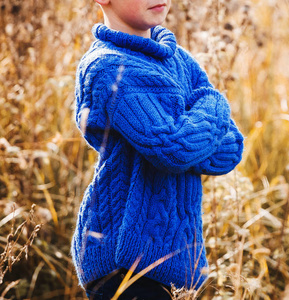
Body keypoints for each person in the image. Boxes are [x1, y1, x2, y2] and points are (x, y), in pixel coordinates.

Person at [70, 0, 244, 298]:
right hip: (121, 259)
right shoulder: (109, 68)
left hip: (172, 254)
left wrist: (191, 135)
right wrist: (213, 102)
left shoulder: (179, 60)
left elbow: (231, 148)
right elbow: (173, 147)